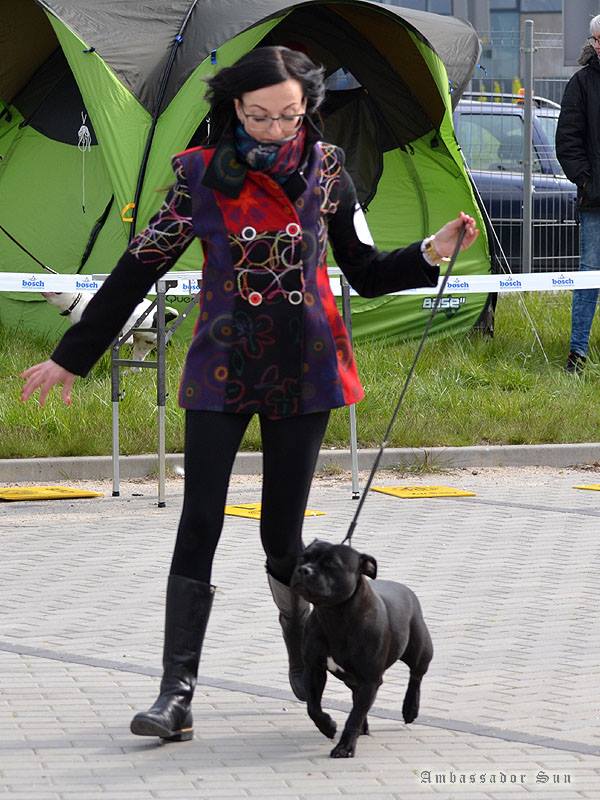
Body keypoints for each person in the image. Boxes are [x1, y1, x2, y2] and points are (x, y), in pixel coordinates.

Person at [21, 46, 478, 742]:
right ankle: (175, 695)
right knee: (198, 521)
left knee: (279, 536)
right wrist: (71, 357)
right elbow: (139, 266)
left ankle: (304, 642)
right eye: (259, 115)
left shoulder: (328, 171)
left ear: (308, 109)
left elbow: (365, 270)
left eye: (288, 116)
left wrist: (431, 251)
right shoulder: (198, 175)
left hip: (305, 369)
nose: (273, 128)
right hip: (222, 367)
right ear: (235, 106)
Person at [556, 15, 600, 374]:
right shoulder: (580, 84)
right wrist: (587, 183)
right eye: (599, 40)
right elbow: (567, 141)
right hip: (594, 201)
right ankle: (578, 353)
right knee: (589, 275)